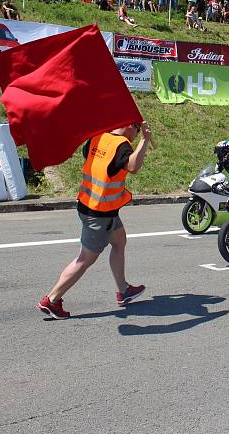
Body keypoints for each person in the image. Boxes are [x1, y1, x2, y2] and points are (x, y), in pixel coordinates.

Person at [37, 121, 153, 319]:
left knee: (119, 241)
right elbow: (133, 166)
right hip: (99, 213)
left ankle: (123, 290)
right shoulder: (122, 145)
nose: (136, 134)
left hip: (91, 204)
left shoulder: (99, 137)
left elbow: (91, 156)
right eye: (137, 129)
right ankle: (52, 300)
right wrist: (145, 140)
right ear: (130, 127)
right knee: (85, 259)